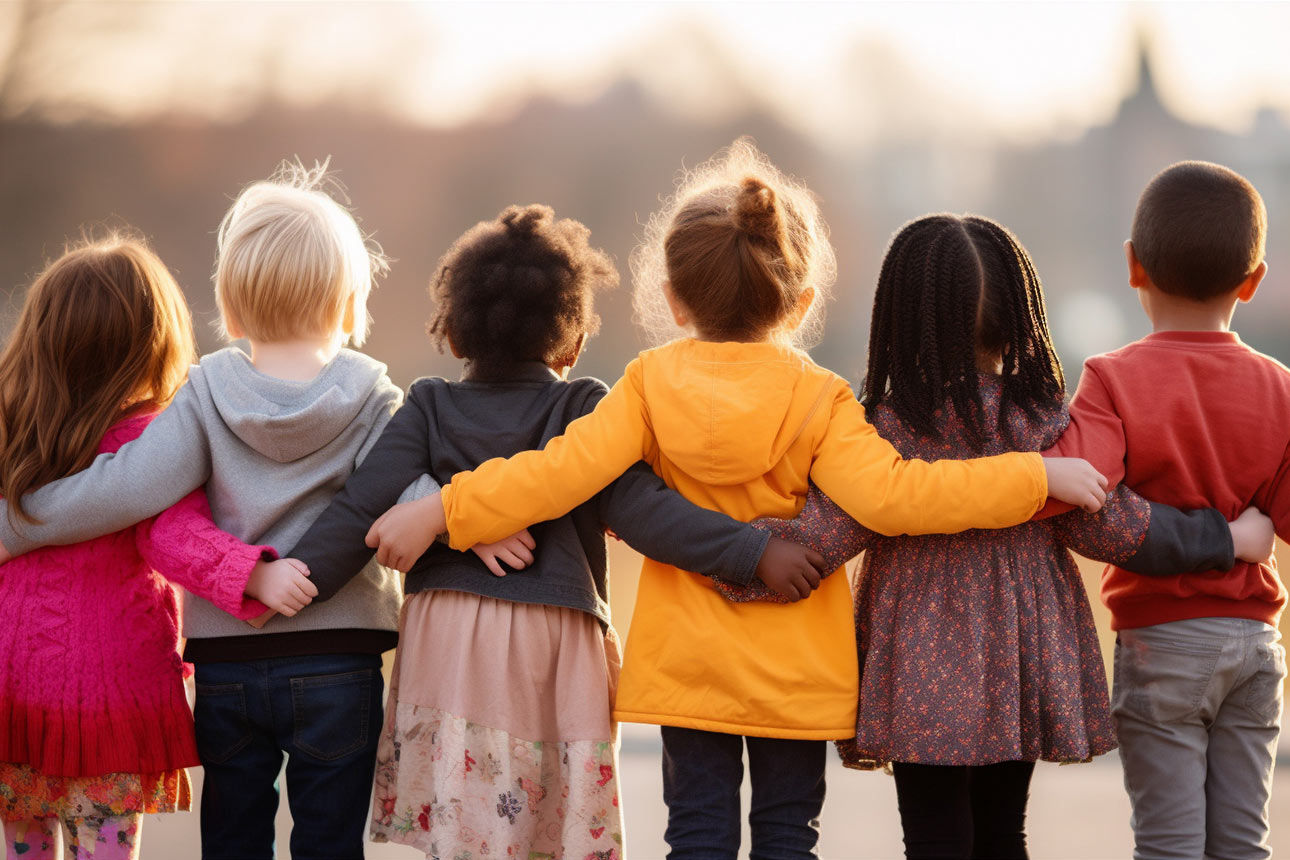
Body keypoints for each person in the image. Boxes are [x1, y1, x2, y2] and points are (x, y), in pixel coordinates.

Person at [359, 140, 1110, 859]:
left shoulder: (648, 384)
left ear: (675, 300)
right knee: (789, 839)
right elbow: (896, 497)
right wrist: (1035, 476)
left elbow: (555, 473)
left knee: (698, 839)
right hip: (795, 671)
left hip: (687, 667)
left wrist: (444, 509)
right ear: (803, 299)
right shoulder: (820, 397)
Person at [283, 203, 822, 859]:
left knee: (467, 831)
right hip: (553, 640)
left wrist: (286, 583)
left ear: (454, 335)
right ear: (571, 343)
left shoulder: (427, 404)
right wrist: (753, 551)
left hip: (448, 638)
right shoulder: (580, 406)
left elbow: (358, 509)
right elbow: (647, 512)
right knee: (548, 833)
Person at [742, 213, 1275, 860]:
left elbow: (826, 532)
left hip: (920, 662)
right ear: (1021, 316)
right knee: (1003, 835)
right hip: (1019, 655)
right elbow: (1114, 524)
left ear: (902, 316)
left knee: (936, 838)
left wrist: (723, 550)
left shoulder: (886, 424)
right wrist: (1227, 539)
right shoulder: (1045, 420)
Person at [0, 162, 430, 859]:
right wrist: (471, 516)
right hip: (339, 660)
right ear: (352, 302)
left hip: (229, 662)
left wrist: (13, 526)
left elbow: (125, 489)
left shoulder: (205, 395)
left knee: (233, 838)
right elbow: (411, 498)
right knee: (329, 838)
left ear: (230, 306)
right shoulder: (376, 399)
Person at [0, 235, 312, 860]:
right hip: (107, 697)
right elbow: (173, 535)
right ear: (154, 340)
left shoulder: (15, 433)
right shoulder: (149, 439)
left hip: (13, 693)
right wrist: (248, 574)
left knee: (24, 849)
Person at [1045, 161, 1289, 860]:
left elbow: (1084, 490)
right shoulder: (1281, 389)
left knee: (1169, 844)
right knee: (1244, 841)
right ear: (1254, 280)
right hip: (1255, 643)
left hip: (1162, 642)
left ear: (1133, 267)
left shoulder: (1112, 379)